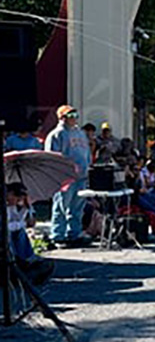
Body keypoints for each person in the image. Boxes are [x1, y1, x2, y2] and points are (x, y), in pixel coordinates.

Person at [44, 105, 92, 246]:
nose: (74, 118)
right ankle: (58, 235)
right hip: (65, 177)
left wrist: (88, 166)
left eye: (75, 115)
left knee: (77, 207)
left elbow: (86, 152)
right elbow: (51, 157)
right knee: (61, 206)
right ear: (62, 117)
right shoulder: (56, 134)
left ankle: (74, 234)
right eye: (70, 115)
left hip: (82, 176)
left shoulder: (80, 133)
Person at [5, 182, 54, 285]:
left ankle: (27, 260)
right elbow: (8, 226)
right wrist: (23, 223)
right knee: (15, 232)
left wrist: (27, 209)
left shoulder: (18, 206)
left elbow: (23, 222)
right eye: (15, 197)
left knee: (20, 232)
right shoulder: (6, 207)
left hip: (16, 238)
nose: (16, 201)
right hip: (8, 239)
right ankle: (19, 263)